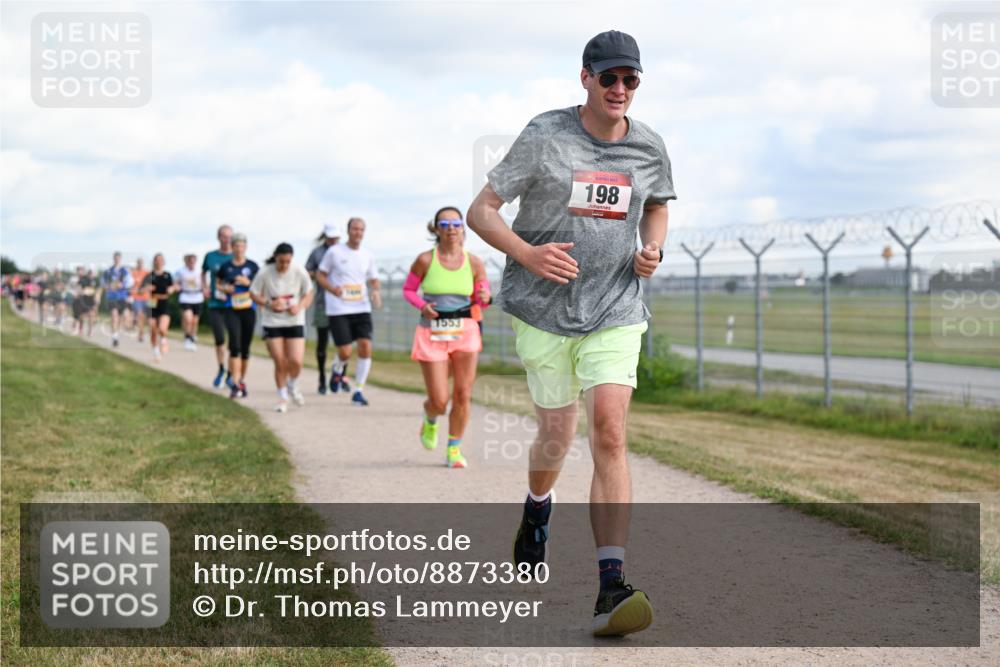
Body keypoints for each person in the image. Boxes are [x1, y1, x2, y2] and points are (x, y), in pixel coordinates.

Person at [466, 30, 674, 637]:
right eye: (608, 77)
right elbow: (482, 210)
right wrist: (528, 255)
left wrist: (651, 246)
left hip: (615, 306)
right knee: (557, 434)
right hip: (542, 309)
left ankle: (612, 585)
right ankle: (536, 510)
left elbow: (657, 201)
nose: (619, 89)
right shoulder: (546, 135)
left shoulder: (648, 145)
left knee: (608, 431)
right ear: (584, 77)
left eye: (630, 80)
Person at [403, 206, 492, 468]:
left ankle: (454, 449)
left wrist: (484, 297)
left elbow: (480, 299)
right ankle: (431, 418)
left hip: (464, 331)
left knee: (463, 393)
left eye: (456, 223)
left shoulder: (474, 262)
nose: (451, 228)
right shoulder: (424, 260)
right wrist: (422, 306)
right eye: (445, 224)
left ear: (463, 228)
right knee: (440, 400)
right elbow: (409, 290)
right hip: (432, 332)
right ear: (436, 229)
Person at [316, 217, 381, 406]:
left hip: (361, 306)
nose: (358, 233)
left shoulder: (368, 255)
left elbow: (374, 279)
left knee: (365, 347)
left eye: (361, 229)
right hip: (339, 309)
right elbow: (320, 275)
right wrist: (332, 289)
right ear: (348, 230)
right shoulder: (334, 252)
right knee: (345, 352)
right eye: (355, 229)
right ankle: (337, 369)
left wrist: (376, 290)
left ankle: (358, 390)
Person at [250, 243, 314, 413]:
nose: (284, 265)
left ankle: (292, 383)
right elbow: (253, 293)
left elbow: (309, 293)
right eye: (281, 262)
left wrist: (300, 306)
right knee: (280, 361)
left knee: (296, 361)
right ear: (275, 258)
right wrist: (269, 304)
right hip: (273, 321)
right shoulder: (265, 272)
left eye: (287, 262)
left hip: (294, 320)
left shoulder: (299, 271)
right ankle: (282, 397)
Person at [217, 232, 259, 399]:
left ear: (245, 247)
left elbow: (261, 285)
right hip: (232, 308)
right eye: (236, 245)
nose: (239, 249)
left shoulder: (253, 266)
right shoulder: (226, 266)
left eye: (242, 246)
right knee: (235, 345)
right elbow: (218, 283)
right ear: (232, 247)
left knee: (245, 348)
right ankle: (234, 383)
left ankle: (241, 380)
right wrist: (225, 288)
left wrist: (248, 283)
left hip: (248, 308)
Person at [305, 224, 341, 394]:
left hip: (342, 303)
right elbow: (308, 272)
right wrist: (321, 274)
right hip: (323, 302)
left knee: (344, 343)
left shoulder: (343, 251)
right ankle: (321, 379)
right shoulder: (317, 253)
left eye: (336, 237)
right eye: (330, 237)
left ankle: (340, 375)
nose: (333, 240)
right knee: (322, 343)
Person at [203, 225, 234, 388]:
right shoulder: (211, 256)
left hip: (233, 304)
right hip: (216, 304)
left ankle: (231, 373)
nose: (227, 239)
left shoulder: (237, 257)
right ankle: (221, 368)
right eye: (224, 236)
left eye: (229, 236)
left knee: (234, 341)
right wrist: (204, 288)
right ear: (218, 237)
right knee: (220, 339)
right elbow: (203, 272)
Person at [142, 253, 177, 362]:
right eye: (157, 260)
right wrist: (147, 288)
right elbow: (141, 289)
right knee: (153, 328)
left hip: (164, 301)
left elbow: (173, 286)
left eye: (161, 260)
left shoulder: (168, 275)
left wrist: (172, 289)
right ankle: (156, 352)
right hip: (153, 301)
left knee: (162, 328)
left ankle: (163, 339)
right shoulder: (149, 275)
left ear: (164, 262)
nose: (159, 262)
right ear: (154, 262)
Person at [101, 251, 134, 347]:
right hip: (112, 297)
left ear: (120, 259)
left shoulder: (125, 271)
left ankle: (117, 332)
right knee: (114, 315)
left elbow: (130, 282)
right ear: (113, 258)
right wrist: (108, 286)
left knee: (124, 317)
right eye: (115, 258)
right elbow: (103, 283)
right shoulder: (108, 271)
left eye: (118, 258)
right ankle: (115, 337)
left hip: (122, 297)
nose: (117, 259)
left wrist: (122, 285)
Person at [175, 253, 204, 351]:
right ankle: (188, 338)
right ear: (186, 261)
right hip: (185, 297)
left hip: (197, 297)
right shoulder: (180, 271)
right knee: (188, 319)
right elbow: (176, 283)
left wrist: (206, 290)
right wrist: (177, 287)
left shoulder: (200, 271)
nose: (191, 263)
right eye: (189, 261)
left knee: (195, 321)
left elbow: (204, 283)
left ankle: (193, 336)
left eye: (193, 261)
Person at [72, 266, 99, 337]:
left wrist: (97, 299)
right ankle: (80, 330)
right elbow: (78, 288)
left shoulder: (95, 281)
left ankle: (90, 331)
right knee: (81, 316)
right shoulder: (83, 280)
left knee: (91, 315)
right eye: (90, 273)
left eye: (92, 274)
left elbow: (97, 291)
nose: (91, 275)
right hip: (83, 300)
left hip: (91, 300)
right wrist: (80, 292)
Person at [129, 258, 150, 343]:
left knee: (149, 317)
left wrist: (144, 289)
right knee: (140, 315)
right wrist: (131, 294)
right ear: (137, 263)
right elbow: (129, 285)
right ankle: (141, 333)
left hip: (147, 297)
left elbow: (151, 285)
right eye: (139, 263)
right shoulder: (133, 273)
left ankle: (146, 331)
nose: (140, 264)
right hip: (136, 298)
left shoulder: (147, 273)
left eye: (142, 263)